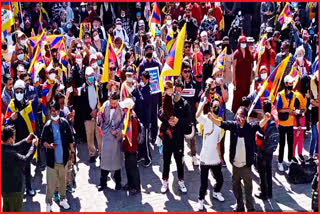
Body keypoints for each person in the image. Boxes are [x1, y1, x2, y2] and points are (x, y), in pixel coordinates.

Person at [209, 106, 271, 211]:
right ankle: (240, 206)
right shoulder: (233, 125)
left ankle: (250, 208)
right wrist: (212, 119)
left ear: (246, 118)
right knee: (236, 188)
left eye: (241, 116)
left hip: (246, 166)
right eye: (238, 115)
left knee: (248, 189)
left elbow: (260, 124)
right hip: (235, 165)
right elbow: (222, 124)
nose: (239, 118)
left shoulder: (250, 127)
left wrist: (266, 118)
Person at [4, 79, 37, 197]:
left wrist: (34, 137)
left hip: (26, 140)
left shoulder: (28, 105)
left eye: (21, 91)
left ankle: (29, 187)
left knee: (27, 165)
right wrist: (10, 119)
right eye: (17, 91)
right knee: (17, 168)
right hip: (15, 142)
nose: (19, 93)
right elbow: (5, 126)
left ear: (24, 92)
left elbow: (33, 122)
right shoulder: (11, 106)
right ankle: (20, 189)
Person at [159, 79, 191, 193]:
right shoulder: (166, 100)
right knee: (166, 160)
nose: (176, 90)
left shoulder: (184, 103)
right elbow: (160, 114)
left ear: (182, 90)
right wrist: (168, 120)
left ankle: (181, 182)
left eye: (178, 89)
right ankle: (165, 182)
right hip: (167, 138)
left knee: (179, 161)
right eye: (174, 88)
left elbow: (189, 119)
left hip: (178, 138)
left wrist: (178, 120)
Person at [41, 101, 75, 212]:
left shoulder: (64, 123)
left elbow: (70, 140)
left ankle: (63, 200)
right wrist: (49, 145)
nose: (53, 113)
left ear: (59, 111)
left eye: (54, 111)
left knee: (63, 182)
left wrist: (72, 154)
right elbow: (43, 142)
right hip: (52, 162)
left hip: (64, 160)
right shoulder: (47, 126)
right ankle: (48, 203)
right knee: (50, 185)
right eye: (51, 111)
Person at [196, 98, 224, 211]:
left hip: (215, 158)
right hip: (205, 158)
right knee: (203, 184)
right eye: (214, 106)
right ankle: (201, 200)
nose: (216, 108)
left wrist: (220, 157)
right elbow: (197, 116)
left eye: (218, 106)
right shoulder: (206, 120)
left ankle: (216, 192)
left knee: (220, 179)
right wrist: (202, 104)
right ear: (211, 108)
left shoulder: (221, 122)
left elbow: (218, 143)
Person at [2, 127, 38, 212]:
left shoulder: (3, 147)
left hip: (4, 189)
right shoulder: (12, 154)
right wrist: (34, 146)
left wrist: (26, 141)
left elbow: (13, 147)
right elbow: (26, 160)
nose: (15, 138)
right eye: (14, 136)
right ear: (10, 138)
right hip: (14, 190)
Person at [97, 92, 124, 191]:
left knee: (117, 160)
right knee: (105, 160)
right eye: (112, 103)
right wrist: (99, 119)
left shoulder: (121, 108)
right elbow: (99, 119)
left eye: (115, 103)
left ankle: (118, 182)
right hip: (107, 136)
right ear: (109, 99)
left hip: (116, 137)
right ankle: (102, 182)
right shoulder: (104, 106)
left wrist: (117, 131)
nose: (113, 105)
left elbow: (124, 122)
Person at [76, 67, 102, 163]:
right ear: (86, 76)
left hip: (98, 115)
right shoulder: (82, 89)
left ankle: (101, 154)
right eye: (89, 76)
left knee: (99, 136)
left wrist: (97, 110)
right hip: (88, 116)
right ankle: (92, 154)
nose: (91, 77)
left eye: (92, 75)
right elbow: (81, 105)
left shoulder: (97, 86)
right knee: (90, 137)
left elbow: (100, 98)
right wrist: (90, 112)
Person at [255, 99, 279, 200]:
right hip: (271, 149)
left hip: (263, 150)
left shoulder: (264, 121)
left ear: (264, 110)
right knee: (269, 171)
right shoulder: (274, 119)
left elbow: (259, 138)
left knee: (262, 171)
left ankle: (263, 193)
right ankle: (270, 193)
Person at [120, 98, 141, 195]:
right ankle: (130, 183)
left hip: (132, 147)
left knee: (133, 167)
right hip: (127, 146)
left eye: (124, 107)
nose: (122, 109)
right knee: (128, 166)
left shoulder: (133, 119)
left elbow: (134, 135)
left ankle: (136, 186)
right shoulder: (127, 116)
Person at [132, 71, 153, 167]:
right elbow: (134, 94)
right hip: (139, 117)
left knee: (145, 141)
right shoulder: (140, 87)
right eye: (141, 78)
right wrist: (136, 88)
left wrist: (138, 90)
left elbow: (143, 100)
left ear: (147, 80)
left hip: (145, 120)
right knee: (139, 138)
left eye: (143, 79)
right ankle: (140, 155)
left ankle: (148, 158)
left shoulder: (149, 90)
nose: (141, 80)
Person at [276, 75, 296, 171]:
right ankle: (280, 162)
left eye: (292, 83)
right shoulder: (281, 95)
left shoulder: (294, 95)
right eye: (289, 83)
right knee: (282, 144)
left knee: (290, 144)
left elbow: (295, 107)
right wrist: (288, 110)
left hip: (291, 124)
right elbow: (279, 109)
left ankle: (289, 160)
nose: (291, 85)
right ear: (285, 84)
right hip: (282, 124)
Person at [232, 36, 254, 113]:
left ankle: (244, 109)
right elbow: (234, 67)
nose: (243, 44)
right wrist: (234, 78)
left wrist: (251, 77)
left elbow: (251, 67)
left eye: (244, 42)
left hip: (247, 77)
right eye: (242, 42)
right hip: (239, 77)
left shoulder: (250, 53)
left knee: (246, 93)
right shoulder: (236, 53)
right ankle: (236, 110)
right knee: (238, 94)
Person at [292, 75, 310, 162]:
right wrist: (299, 124)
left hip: (302, 119)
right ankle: (292, 155)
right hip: (297, 120)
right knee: (295, 138)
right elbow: (296, 111)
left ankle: (299, 153)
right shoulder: (297, 96)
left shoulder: (305, 95)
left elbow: (305, 108)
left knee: (301, 139)